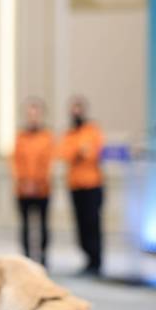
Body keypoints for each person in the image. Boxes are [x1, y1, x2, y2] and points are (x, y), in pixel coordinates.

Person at [59, 96, 105, 276]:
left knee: (93, 223)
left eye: (78, 108)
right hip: (75, 185)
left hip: (92, 185)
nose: (75, 112)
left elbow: (93, 153)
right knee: (80, 225)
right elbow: (65, 154)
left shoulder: (92, 130)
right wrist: (80, 150)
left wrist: (80, 152)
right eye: (73, 109)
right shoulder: (69, 134)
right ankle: (87, 258)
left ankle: (96, 261)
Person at [11, 99, 54, 266]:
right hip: (23, 189)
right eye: (30, 115)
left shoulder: (47, 137)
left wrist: (38, 182)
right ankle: (27, 258)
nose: (33, 118)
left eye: (36, 114)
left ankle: (43, 258)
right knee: (25, 226)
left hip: (42, 189)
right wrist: (24, 182)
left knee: (43, 225)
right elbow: (16, 162)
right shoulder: (20, 137)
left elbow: (48, 162)